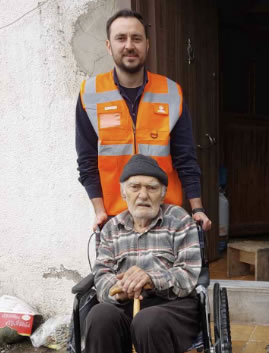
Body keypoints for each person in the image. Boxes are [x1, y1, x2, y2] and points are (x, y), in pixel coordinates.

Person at [75, 9, 211, 231]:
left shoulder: (171, 92)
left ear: (147, 45)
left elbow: (185, 157)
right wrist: (99, 211)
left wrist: (197, 208)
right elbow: (87, 161)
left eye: (136, 38)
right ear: (109, 46)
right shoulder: (89, 94)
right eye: (121, 38)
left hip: (166, 218)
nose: (129, 45)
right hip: (115, 220)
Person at [85, 154, 202, 353]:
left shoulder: (179, 220)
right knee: (99, 315)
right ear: (123, 192)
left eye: (152, 188)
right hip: (123, 304)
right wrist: (119, 290)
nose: (143, 195)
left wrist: (150, 278)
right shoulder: (112, 229)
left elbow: (188, 275)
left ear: (163, 193)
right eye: (135, 187)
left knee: (148, 321)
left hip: (171, 307)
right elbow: (101, 275)